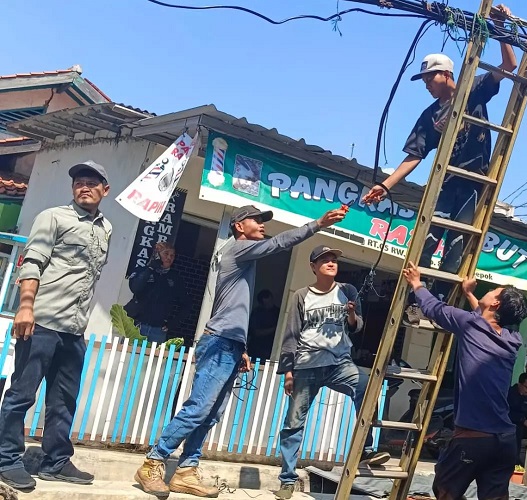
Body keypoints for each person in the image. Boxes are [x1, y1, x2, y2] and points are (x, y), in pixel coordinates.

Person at [135, 205, 346, 499]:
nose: (262, 225)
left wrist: (241, 348)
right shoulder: (239, 249)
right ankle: (153, 461)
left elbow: (236, 308)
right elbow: (279, 243)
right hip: (219, 341)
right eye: (256, 220)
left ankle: (186, 470)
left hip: (230, 343)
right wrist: (318, 223)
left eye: (263, 221)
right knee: (198, 409)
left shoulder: (245, 258)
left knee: (211, 415)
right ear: (238, 226)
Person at [362, 4, 518, 326]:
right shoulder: (430, 115)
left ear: (446, 73)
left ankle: (443, 306)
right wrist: (385, 185)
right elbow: (414, 155)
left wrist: (501, 27)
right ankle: (419, 299)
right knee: (429, 239)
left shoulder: (472, 89)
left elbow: (509, 64)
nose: (427, 84)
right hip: (446, 182)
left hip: (473, 180)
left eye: (429, 77)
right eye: (424, 80)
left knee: (457, 247)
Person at [0, 161, 112, 490]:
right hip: (41, 321)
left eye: (92, 182)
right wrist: (25, 307)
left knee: (64, 399)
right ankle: (6, 458)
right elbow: (32, 261)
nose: (84, 187)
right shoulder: (53, 217)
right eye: (79, 182)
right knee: (22, 394)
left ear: (105, 190)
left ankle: (56, 461)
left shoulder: (105, 229)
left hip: (73, 329)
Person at [401, 262, 527, 500]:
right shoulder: (512, 340)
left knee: (445, 489)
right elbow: (484, 322)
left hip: (474, 439)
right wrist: (469, 294)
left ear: (495, 303)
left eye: (492, 292)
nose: (487, 292)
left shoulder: (470, 324)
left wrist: (417, 282)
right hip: (505, 441)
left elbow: (433, 307)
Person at [275, 245, 390, 499]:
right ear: (313, 267)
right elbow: (291, 334)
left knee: (367, 386)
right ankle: (287, 479)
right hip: (306, 364)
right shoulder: (301, 296)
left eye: (333, 259)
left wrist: (350, 314)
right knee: (293, 423)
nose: (330, 262)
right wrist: (288, 371)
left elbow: (357, 326)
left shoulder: (346, 291)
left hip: (340, 362)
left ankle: (366, 449)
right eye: (324, 260)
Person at [124, 241, 189, 344]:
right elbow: (135, 288)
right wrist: (151, 268)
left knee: (151, 360)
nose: (169, 258)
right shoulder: (142, 270)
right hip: (136, 325)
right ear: (157, 255)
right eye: (166, 254)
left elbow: (186, 305)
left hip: (158, 330)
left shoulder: (175, 279)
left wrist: (172, 324)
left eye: (172, 255)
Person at [507, 373, 527, 466]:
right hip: (508, 429)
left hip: (521, 431)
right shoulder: (509, 394)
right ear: (520, 384)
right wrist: (522, 420)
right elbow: (505, 412)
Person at [247, 289, 280, 361]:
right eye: (266, 304)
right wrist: (275, 329)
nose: (269, 305)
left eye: (270, 302)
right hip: (255, 348)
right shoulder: (257, 313)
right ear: (261, 303)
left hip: (270, 349)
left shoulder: (278, 313)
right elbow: (255, 332)